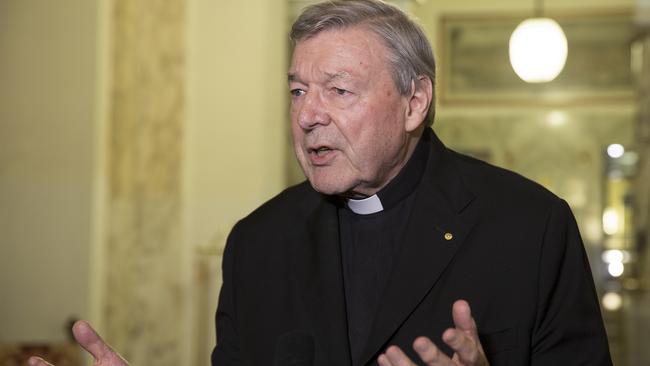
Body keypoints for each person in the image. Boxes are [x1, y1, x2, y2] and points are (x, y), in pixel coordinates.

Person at [30, 1, 612, 365]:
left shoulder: (530, 227)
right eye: (297, 91)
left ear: (415, 102)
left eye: (337, 89)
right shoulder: (257, 242)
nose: (307, 114)